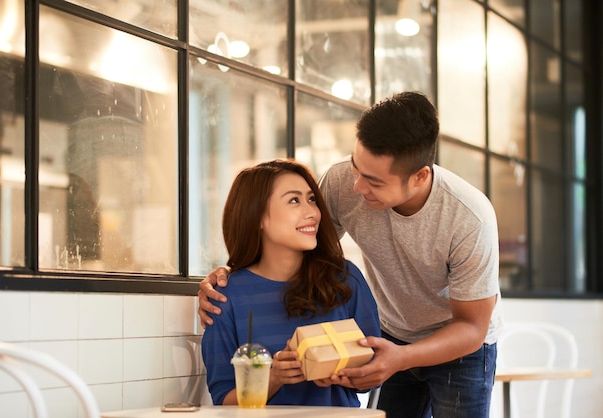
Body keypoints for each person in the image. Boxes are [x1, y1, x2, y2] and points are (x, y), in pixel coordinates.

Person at [199, 92, 502, 417]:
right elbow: (300, 240)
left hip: (457, 341)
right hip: (391, 333)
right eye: (356, 167)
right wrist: (229, 273)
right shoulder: (343, 181)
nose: (356, 187)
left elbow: (471, 327)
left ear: (420, 177)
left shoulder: (469, 217)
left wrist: (400, 357)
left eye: (373, 181)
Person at [200, 159, 381, 407]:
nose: (312, 212)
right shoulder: (225, 298)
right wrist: (273, 378)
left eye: (311, 199)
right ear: (256, 218)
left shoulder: (344, 279)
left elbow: (375, 375)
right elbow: (224, 401)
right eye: (294, 200)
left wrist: (340, 373)